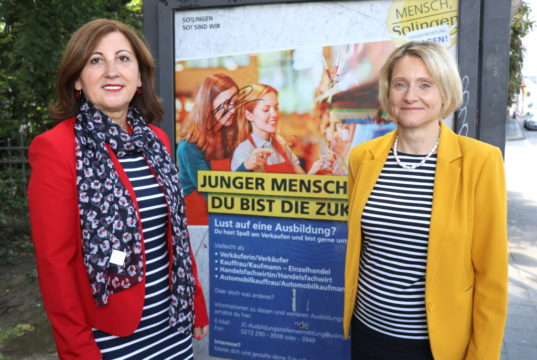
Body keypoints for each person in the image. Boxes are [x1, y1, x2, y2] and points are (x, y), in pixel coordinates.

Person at [28, 19, 208, 360]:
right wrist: (78, 351)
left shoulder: (156, 141)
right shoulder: (55, 148)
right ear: (78, 79)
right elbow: (55, 266)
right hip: (110, 340)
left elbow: (175, 234)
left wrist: (194, 301)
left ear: (139, 77)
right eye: (96, 60)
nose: (112, 71)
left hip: (172, 327)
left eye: (123, 59)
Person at [343, 41, 507, 359]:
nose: (410, 96)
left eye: (425, 85)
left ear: (444, 92)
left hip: (436, 345)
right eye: (400, 84)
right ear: (388, 93)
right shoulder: (362, 158)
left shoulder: (481, 162)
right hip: (367, 333)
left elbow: (492, 276)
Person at [177, 74, 250, 224]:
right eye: (225, 103)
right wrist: (246, 166)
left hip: (223, 218)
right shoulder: (189, 146)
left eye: (235, 103)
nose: (232, 109)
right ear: (208, 105)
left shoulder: (228, 137)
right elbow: (214, 196)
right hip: (197, 222)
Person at [231, 83, 330, 174]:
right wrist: (246, 167)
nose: (274, 114)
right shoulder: (243, 151)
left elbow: (301, 182)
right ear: (249, 115)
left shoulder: (280, 143)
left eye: (276, 108)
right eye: (266, 110)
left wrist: (315, 169)